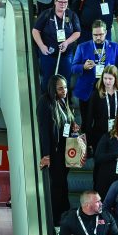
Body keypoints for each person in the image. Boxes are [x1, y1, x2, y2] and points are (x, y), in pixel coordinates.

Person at [72, 22, 118, 131]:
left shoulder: (114, 47)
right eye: (95, 35)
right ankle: (87, 146)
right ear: (91, 33)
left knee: (103, 121)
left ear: (106, 33)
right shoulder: (82, 47)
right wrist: (83, 66)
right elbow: (73, 68)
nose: (98, 37)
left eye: (101, 34)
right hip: (87, 91)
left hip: (106, 90)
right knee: (86, 123)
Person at [37, 75, 80, 224]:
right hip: (54, 153)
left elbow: (65, 124)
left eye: (66, 87)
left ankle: (64, 216)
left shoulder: (64, 101)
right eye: (60, 88)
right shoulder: (45, 102)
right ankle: (56, 221)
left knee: (63, 185)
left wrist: (73, 127)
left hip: (65, 151)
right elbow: (44, 131)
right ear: (53, 89)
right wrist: (46, 155)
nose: (64, 90)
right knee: (57, 187)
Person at [31, 0, 81, 87]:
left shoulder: (72, 15)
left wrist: (66, 42)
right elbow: (35, 31)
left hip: (66, 54)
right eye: (60, 2)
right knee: (47, 80)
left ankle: (64, 100)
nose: (63, 4)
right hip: (48, 54)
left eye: (65, 2)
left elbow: (77, 32)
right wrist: (41, 46)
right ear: (55, 1)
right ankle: (47, 100)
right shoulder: (46, 14)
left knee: (65, 80)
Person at [85, 65, 118, 154]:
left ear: (115, 79)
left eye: (110, 79)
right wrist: (89, 141)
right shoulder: (95, 95)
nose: (107, 81)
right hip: (99, 136)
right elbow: (89, 119)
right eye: (105, 78)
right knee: (100, 164)